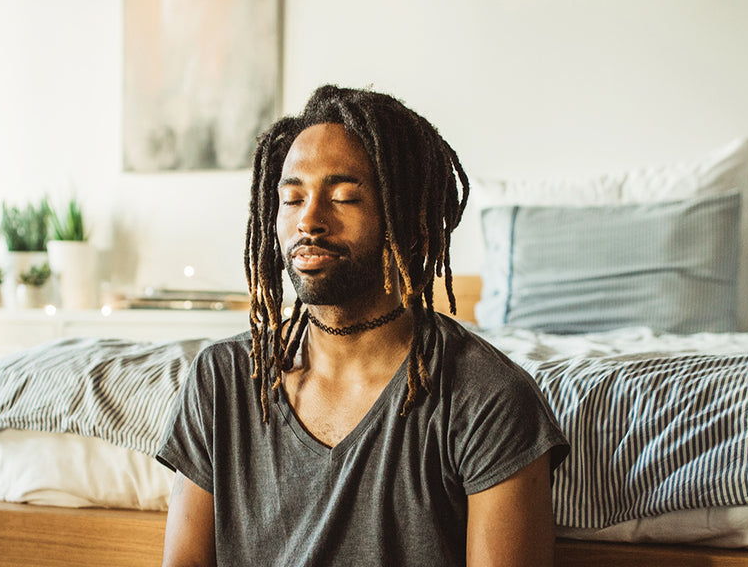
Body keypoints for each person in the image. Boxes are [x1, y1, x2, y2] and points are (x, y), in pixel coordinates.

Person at [157, 85, 569, 567]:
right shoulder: (222, 379)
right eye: (291, 199)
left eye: (344, 197)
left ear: (408, 219)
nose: (309, 219)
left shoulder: (487, 397)